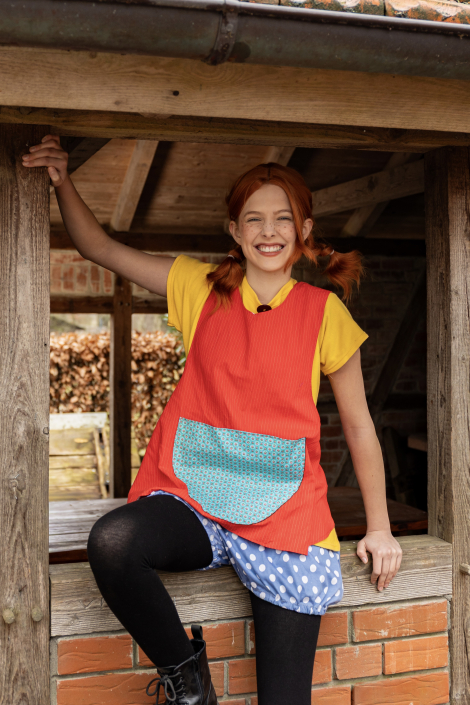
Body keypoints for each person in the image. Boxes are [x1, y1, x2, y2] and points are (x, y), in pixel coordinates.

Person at [24, 136, 403, 705]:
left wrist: (379, 528)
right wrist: (62, 179)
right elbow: (98, 246)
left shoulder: (325, 312)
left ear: (303, 229)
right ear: (235, 231)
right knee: (114, 541)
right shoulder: (198, 287)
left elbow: (359, 426)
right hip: (195, 498)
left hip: (285, 512)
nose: (269, 231)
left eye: (283, 218)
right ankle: (190, 683)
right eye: (254, 218)